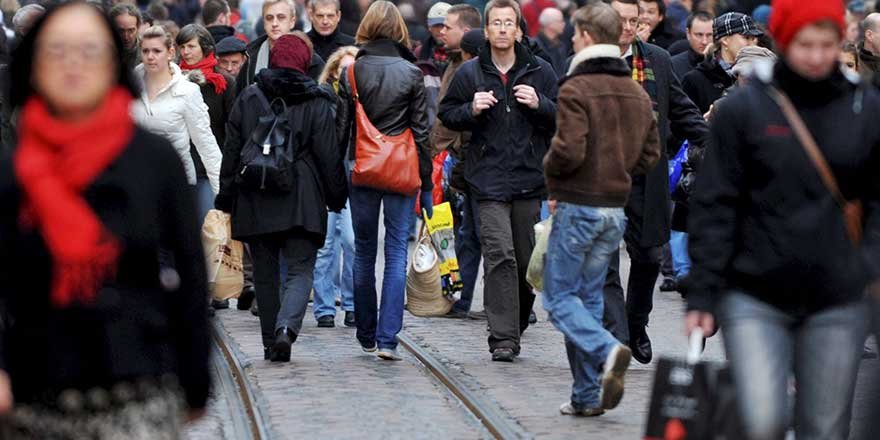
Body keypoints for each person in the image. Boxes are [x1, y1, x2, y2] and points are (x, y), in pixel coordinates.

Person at [0, 2, 210, 436]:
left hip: (139, 389)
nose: (73, 64)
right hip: (34, 394)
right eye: (57, 51)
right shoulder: (15, 166)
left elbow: (190, 273)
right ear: (34, 65)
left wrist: (195, 378)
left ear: (114, 62)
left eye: (89, 51)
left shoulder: (153, 159)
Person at [686, 1, 880, 438]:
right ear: (784, 41)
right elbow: (716, 203)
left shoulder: (864, 109)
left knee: (825, 424)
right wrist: (702, 293)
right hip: (754, 291)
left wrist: (869, 264)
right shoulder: (744, 110)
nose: (815, 56)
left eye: (826, 45)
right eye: (804, 44)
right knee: (762, 417)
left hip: (837, 293)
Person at [543, 2, 660, 417]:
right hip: (615, 209)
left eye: (576, 33)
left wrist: (551, 174)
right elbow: (650, 156)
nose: (572, 39)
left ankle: (608, 349)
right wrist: (617, 165)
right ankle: (587, 395)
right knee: (588, 302)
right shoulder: (636, 92)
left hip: (579, 205)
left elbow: (567, 150)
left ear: (588, 37)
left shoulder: (576, 87)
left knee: (558, 300)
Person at [439, 0, 559, 363]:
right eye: (496, 23)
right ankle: (503, 337)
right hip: (486, 181)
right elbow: (448, 115)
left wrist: (540, 104)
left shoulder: (541, 71)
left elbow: (560, 117)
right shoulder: (470, 73)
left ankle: (518, 318)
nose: (503, 29)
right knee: (499, 255)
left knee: (525, 261)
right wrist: (471, 109)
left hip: (527, 178)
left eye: (509, 23)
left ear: (519, 30)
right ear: (487, 31)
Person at [215, 34, 346, 362]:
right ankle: (286, 329)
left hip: (256, 192)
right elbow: (329, 156)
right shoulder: (317, 101)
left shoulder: (248, 97)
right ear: (305, 62)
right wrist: (336, 196)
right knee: (302, 268)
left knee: (265, 272)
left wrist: (226, 195)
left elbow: (232, 150)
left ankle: (269, 343)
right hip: (301, 194)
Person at [602, 0, 709, 365]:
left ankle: (635, 322)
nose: (629, 27)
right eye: (621, 20)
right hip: (600, 175)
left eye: (634, 20)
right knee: (604, 261)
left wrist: (711, 140)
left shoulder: (657, 60)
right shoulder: (591, 59)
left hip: (647, 174)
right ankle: (616, 336)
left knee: (648, 256)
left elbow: (679, 108)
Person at [337, 0, 433, 361]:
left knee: (363, 251)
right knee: (395, 251)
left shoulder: (351, 71)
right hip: (401, 167)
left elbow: (341, 129)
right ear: (399, 31)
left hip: (361, 167)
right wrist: (425, 183)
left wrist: (336, 177)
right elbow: (421, 132)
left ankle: (365, 331)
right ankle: (389, 337)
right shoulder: (411, 73)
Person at [431, 3, 483, 319]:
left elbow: (453, 119)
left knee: (473, 233)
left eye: (447, 26)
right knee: (464, 234)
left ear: (465, 32)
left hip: (467, 160)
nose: (441, 31)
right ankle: (456, 296)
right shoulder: (453, 63)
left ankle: (461, 298)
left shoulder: (469, 69)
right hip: (453, 160)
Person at [131, 26, 222, 196]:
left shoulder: (188, 92)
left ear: (170, 52)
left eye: (157, 51)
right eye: (145, 51)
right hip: (137, 183)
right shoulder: (129, 88)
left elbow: (206, 145)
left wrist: (221, 198)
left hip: (176, 184)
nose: (150, 57)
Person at [313, 45, 358, 329]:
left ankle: (352, 303)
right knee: (325, 243)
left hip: (355, 173)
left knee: (352, 241)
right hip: (327, 175)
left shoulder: (365, 99)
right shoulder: (322, 98)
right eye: (343, 70)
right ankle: (324, 306)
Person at [235, 0, 325, 95]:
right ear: (264, 23)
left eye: (281, 17)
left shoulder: (309, 57)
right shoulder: (250, 56)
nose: (274, 24)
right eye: (269, 18)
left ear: (292, 21)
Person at [681, 12, 761, 114]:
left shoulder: (759, 75)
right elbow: (686, 122)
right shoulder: (695, 79)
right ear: (725, 40)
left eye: (753, 38)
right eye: (746, 37)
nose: (751, 44)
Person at [670, 12, 713, 81]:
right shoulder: (673, 66)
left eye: (709, 35)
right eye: (699, 35)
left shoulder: (724, 64)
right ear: (688, 34)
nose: (704, 41)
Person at [416, 2, 451, 70]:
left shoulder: (464, 53)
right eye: (436, 26)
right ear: (429, 27)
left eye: (444, 25)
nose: (441, 30)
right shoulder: (418, 53)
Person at [535, 7, 569, 77]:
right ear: (550, 24)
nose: (564, 24)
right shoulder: (535, 46)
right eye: (560, 21)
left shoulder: (561, 45)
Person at [109, 3, 141, 71]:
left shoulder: (147, 51)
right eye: (121, 31)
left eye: (131, 30)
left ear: (138, 28)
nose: (126, 36)